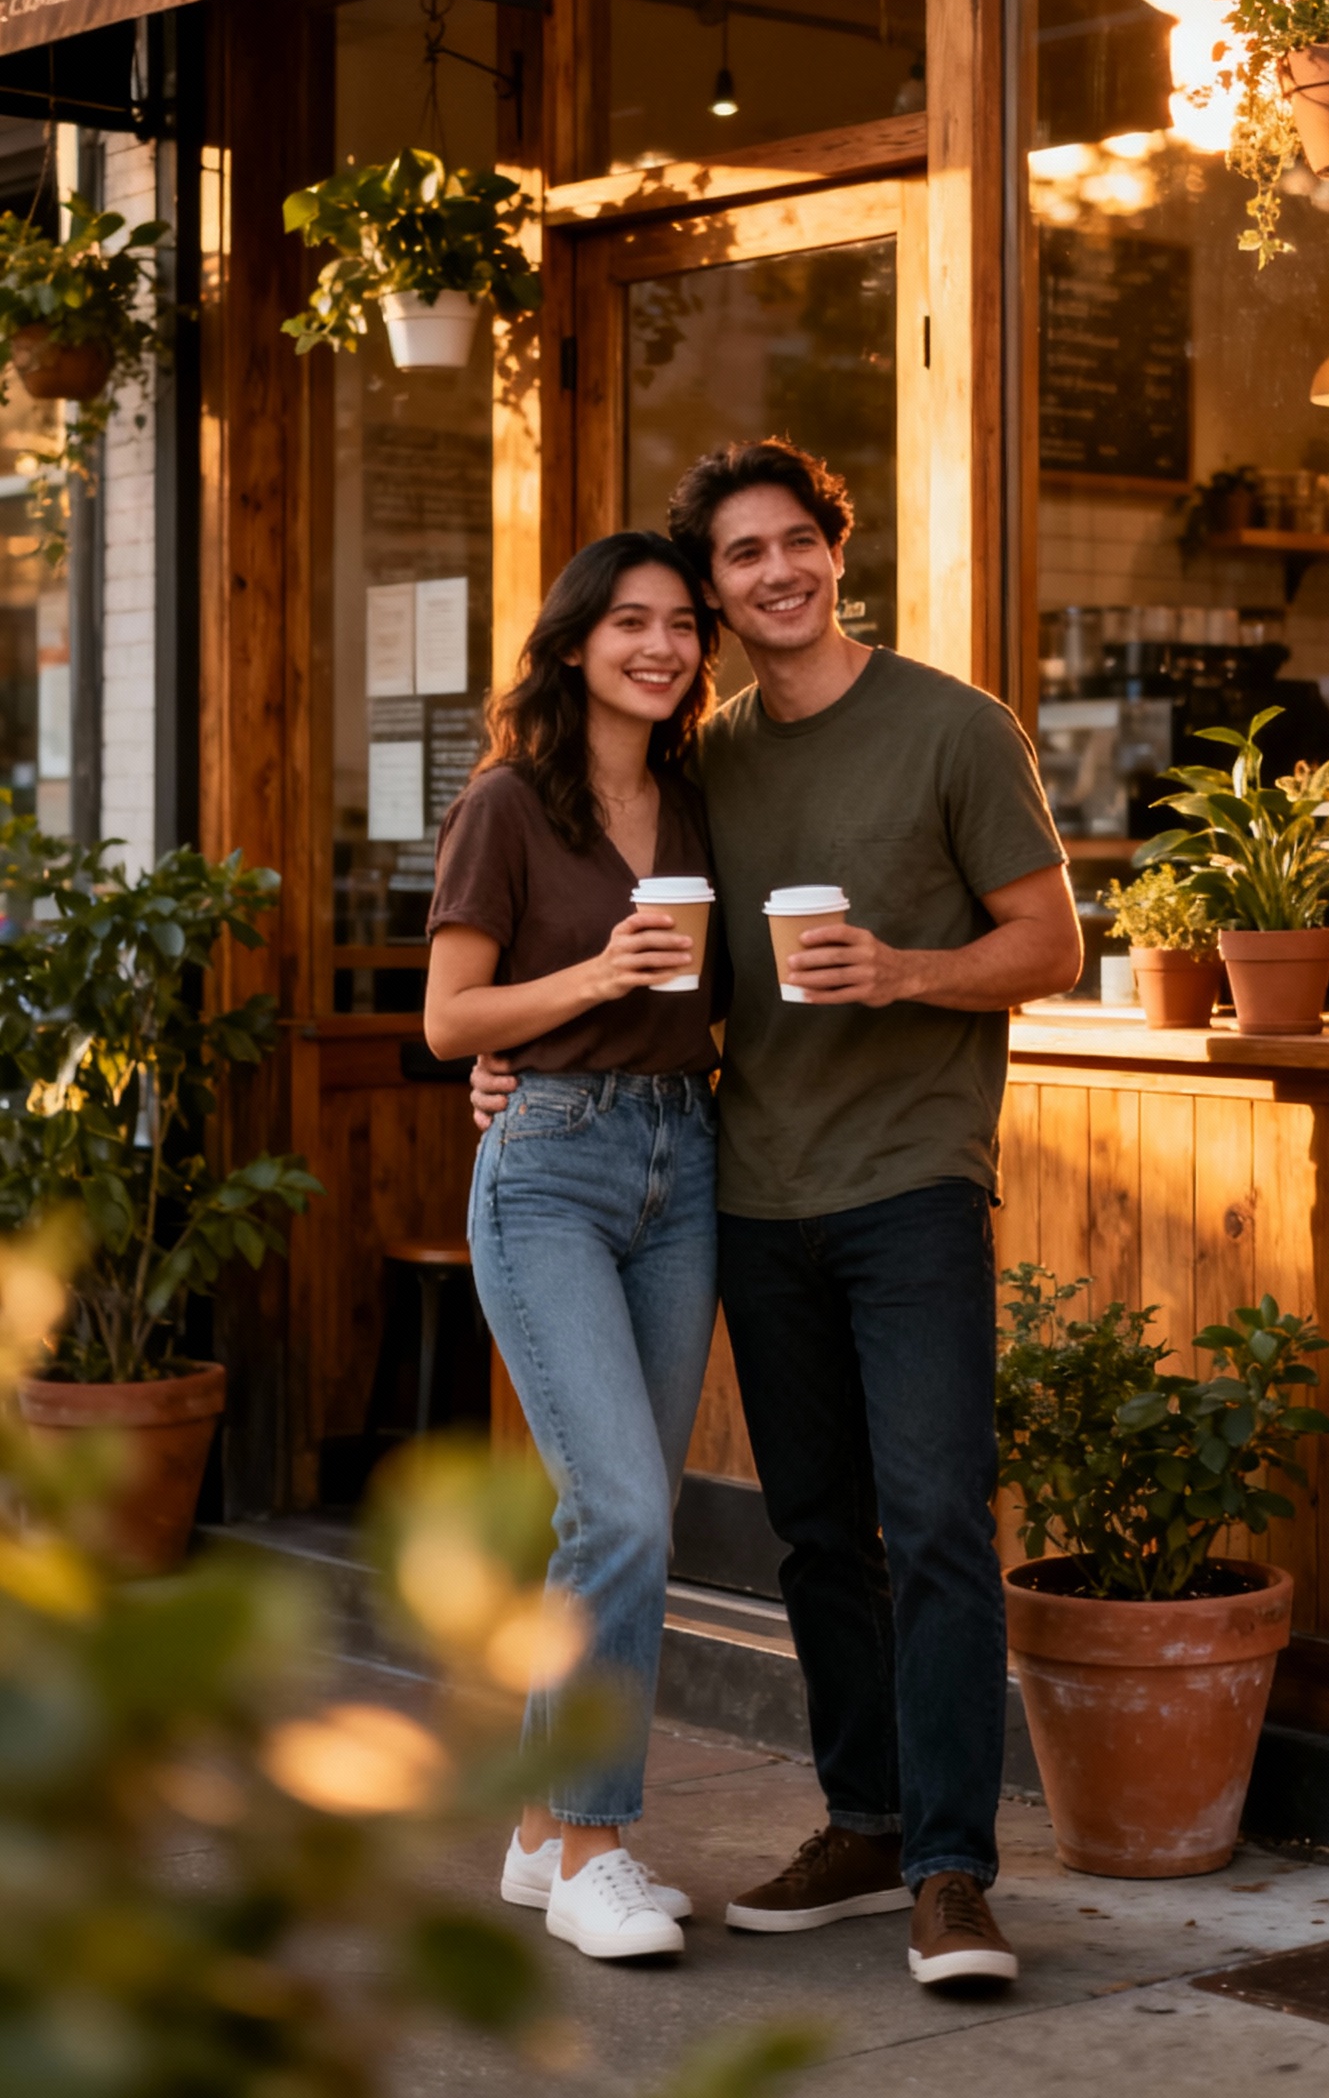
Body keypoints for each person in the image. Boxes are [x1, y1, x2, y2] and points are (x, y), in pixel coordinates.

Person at [472, 438, 1082, 1991]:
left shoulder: (956, 726)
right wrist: (517, 1069)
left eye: (795, 541)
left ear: (835, 549)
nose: (773, 573)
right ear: (714, 596)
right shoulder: (705, 762)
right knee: (818, 1535)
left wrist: (907, 971)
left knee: (937, 1519)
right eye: (739, 557)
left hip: (914, 1182)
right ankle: (865, 1823)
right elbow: (635, 974)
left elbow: (1053, 944)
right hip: (742, 1192)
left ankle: (953, 1870)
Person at [425, 529, 722, 1964]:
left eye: (680, 625)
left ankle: (544, 1836)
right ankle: (601, 1844)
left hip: (688, 1156)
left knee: (612, 1518)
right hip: (550, 1166)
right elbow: (448, 1024)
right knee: (623, 1511)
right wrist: (598, 974)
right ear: (575, 642)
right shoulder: (507, 804)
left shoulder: (697, 797)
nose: (660, 646)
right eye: (630, 623)